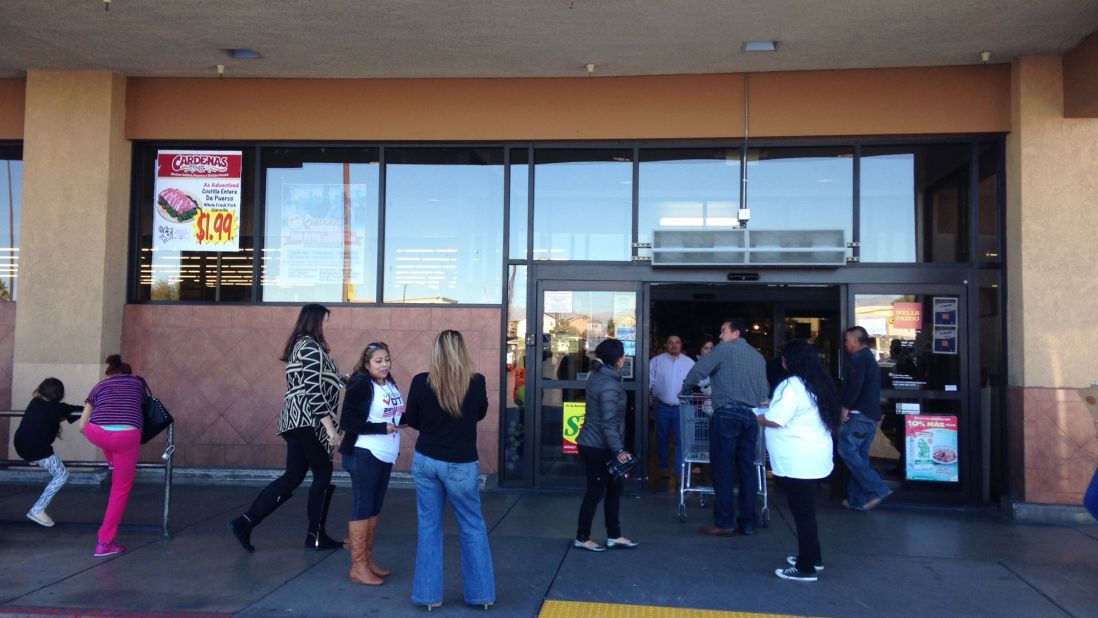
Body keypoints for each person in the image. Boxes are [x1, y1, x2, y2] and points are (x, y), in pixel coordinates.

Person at [230, 303, 344, 552]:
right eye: (325, 320)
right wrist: (330, 429)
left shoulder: (300, 346)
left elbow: (335, 378)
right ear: (315, 321)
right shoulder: (311, 347)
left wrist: (361, 377)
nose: (327, 325)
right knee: (322, 473)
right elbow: (313, 390)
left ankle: (245, 522)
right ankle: (315, 536)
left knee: (293, 476)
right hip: (308, 420)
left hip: (294, 421)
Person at [402, 330, 495, 610]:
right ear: (462, 351)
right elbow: (479, 414)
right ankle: (481, 597)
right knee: (472, 526)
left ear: (436, 352)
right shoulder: (476, 382)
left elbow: (414, 419)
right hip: (462, 463)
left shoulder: (420, 381)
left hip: (427, 459)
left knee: (429, 527)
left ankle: (428, 597)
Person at [757, 340, 842, 582]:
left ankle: (806, 567)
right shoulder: (818, 383)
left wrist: (761, 417)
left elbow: (777, 419)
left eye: (784, 357)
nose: (781, 360)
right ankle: (813, 556)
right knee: (807, 511)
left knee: (802, 513)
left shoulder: (791, 384)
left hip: (798, 459)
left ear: (791, 360)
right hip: (814, 456)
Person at [681, 319, 769, 536]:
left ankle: (724, 522)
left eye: (723, 331)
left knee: (722, 469)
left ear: (735, 333)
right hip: (751, 417)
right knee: (748, 469)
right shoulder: (758, 357)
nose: (720, 336)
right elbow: (764, 390)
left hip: (726, 414)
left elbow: (699, 370)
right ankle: (748, 522)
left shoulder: (724, 349)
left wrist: (686, 388)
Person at [339, 342, 403, 586]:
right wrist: (381, 428)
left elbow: (395, 415)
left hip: (385, 454)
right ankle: (358, 567)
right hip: (364, 453)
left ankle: (367, 559)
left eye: (387, 359)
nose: (384, 364)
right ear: (367, 364)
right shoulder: (360, 384)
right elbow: (348, 422)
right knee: (363, 506)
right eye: (378, 360)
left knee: (374, 507)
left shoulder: (388, 383)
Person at [574, 338, 639, 553]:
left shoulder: (598, 376)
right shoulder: (610, 385)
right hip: (597, 447)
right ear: (619, 360)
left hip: (597, 444)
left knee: (614, 489)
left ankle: (614, 535)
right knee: (595, 492)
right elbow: (608, 422)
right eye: (623, 355)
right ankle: (582, 537)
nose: (624, 359)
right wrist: (620, 450)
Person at [77, 355, 146, 557]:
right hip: (127, 437)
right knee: (120, 490)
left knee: (108, 441)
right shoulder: (138, 383)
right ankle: (105, 542)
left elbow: (82, 426)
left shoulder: (99, 386)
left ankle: (111, 462)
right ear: (128, 372)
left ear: (109, 374)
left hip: (98, 432)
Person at [14, 378, 84, 527]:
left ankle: (35, 460)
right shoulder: (57, 409)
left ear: (40, 390)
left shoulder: (35, 402)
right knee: (62, 475)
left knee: (39, 457)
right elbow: (75, 409)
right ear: (59, 394)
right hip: (37, 450)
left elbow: (57, 413)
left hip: (21, 445)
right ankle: (38, 509)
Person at [837, 326, 892, 511]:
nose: (845, 343)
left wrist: (845, 406)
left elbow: (855, 386)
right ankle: (857, 500)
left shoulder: (858, 359)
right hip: (870, 416)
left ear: (854, 339)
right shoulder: (869, 358)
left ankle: (877, 488)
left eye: (847, 340)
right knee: (859, 456)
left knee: (847, 451)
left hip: (858, 416)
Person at [649, 335, 694, 483]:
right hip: (662, 406)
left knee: (681, 440)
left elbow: (700, 379)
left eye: (677, 343)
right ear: (666, 345)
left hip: (681, 407)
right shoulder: (656, 361)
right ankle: (664, 467)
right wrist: (648, 397)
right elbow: (648, 380)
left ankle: (679, 471)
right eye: (670, 343)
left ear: (681, 345)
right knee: (661, 439)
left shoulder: (689, 363)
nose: (674, 345)